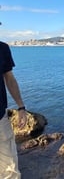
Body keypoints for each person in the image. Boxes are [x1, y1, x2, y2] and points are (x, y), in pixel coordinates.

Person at [0, 40, 27, 179]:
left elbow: (9, 79)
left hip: (0, 118)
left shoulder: (2, 48)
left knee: (10, 171)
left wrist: (21, 107)